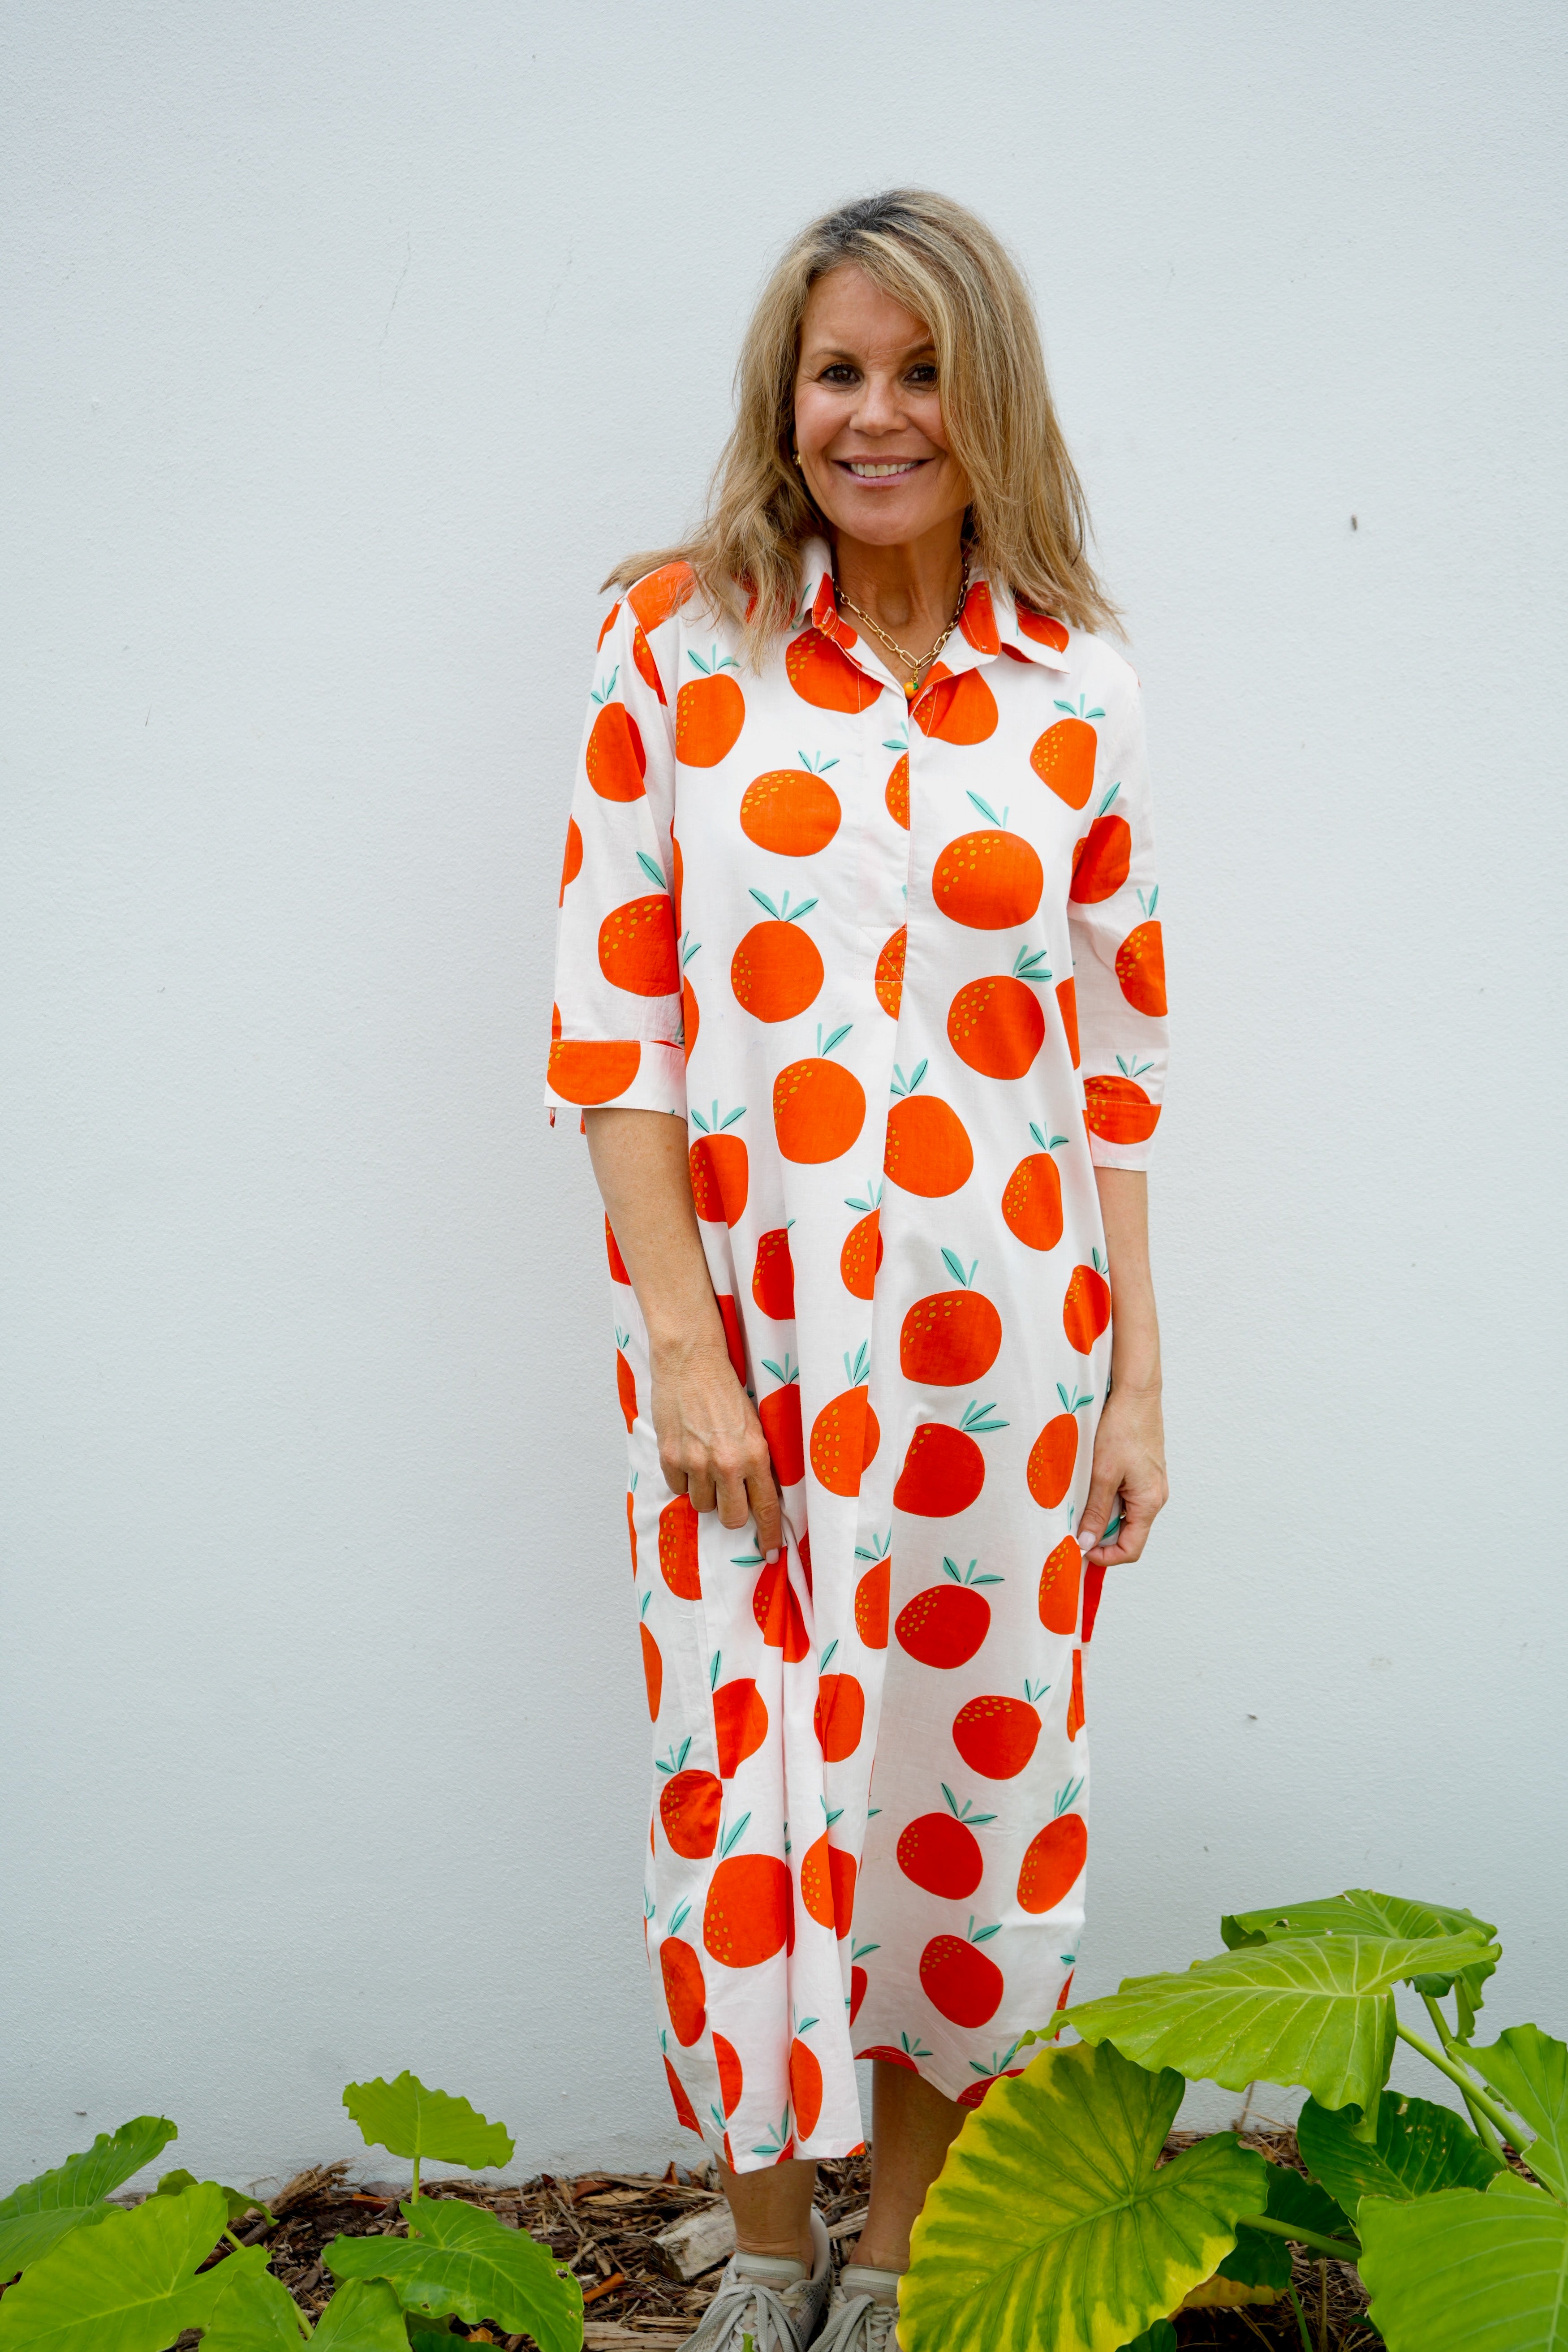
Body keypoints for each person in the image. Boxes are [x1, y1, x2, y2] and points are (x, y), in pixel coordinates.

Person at [546, 188, 1169, 2352]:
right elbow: (608, 1024)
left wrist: (1137, 1381)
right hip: (746, 1351)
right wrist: (683, 1345)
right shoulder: (674, 645)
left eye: (922, 372)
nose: (875, 414)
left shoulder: (1075, 681)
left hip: (1004, 1351)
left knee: (957, 1807)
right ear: (783, 394)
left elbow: (1116, 1061)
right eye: (838, 371)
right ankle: (765, 2240)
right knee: (735, 1786)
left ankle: (895, 2252)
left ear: (990, 403)